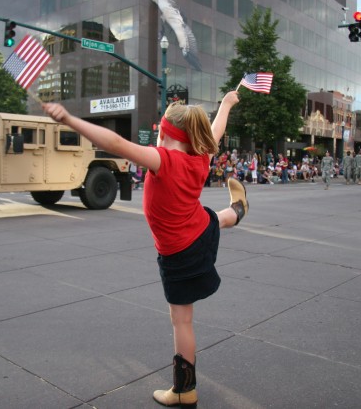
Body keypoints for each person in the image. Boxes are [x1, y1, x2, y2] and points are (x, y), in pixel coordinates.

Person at [43, 91, 246, 408]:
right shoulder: (200, 156)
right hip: (197, 229)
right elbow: (215, 131)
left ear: (164, 132)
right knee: (212, 220)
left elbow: (117, 145)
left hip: (180, 251)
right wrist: (226, 104)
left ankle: (184, 390)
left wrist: (70, 119)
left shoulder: (165, 160)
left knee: (182, 321)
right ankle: (238, 210)